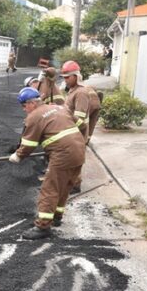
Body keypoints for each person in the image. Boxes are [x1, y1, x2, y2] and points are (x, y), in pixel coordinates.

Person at [9, 87, 86, 240]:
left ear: (31, 103)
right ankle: (56, 217)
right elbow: (81, 125)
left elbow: (29, 144)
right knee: (65, 185)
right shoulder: (59, 107)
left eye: (24, 106)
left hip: (63, 154)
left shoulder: (34, 116)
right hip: (79, 151)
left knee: (49, 189)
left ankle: (43, 227)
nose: (24, 109)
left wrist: (18, 156)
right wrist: (56, 139)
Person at [61, 60, 90, 194]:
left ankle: (75, 185)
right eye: (64, 77)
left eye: (67, 77)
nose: (65, 80)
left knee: (75, 160)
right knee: (70, 159)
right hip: (70, 131)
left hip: (77, 132)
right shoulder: (73, 90)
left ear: (76, 76)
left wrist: (71, 132)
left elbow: (80, 119)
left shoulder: (81, 93)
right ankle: (70, 182)